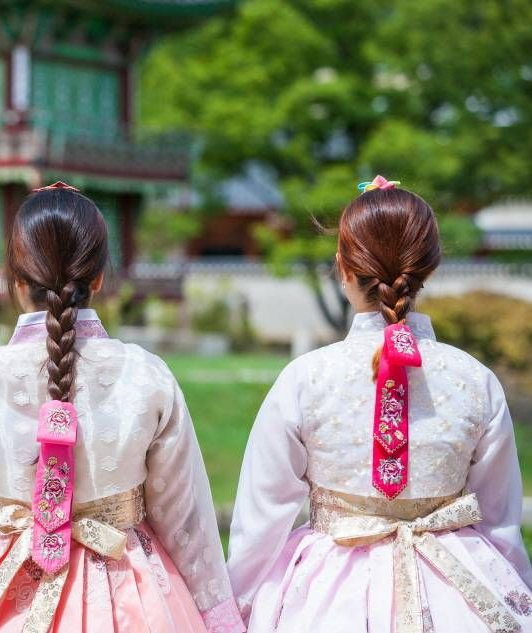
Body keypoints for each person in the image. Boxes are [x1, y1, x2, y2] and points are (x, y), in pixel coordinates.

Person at [0, 182, 245, 633]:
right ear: (98, 278)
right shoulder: (147, 375)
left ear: (18, 281)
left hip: (5, 598)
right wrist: (219, 615)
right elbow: (187, 523)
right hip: (132, 598)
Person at [228, 176, 532, 632]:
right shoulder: (475, 380)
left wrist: (238, 605)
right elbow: (500, 519)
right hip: (458, 591)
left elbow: (262, 519)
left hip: (328, 596)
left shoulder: (305, 378)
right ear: (428, 267)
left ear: (343, 267)